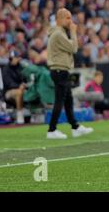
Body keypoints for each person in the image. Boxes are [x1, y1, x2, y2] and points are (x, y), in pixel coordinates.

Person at [46, 8, 94, 139]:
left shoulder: (58, 33)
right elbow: (74, 48)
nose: (70, 21)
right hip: (59, 70)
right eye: (68, 18)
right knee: (60, 101)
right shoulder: (58, 34)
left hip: (61, 70)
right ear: (60, 19)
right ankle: (51, 130)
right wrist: (73, 31)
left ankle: (75, 126)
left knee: (68, 100)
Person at [2, 50, 26, 124]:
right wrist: (19, 86)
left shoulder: (21, 67)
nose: (13, 59)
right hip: (8, 92)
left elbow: (25, 79)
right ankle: (20, 115)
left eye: (15, 58)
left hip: (21, 89)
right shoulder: (6, 69)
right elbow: (8, 83)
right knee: (19, 92)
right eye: (11, 58)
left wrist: (24, 85)